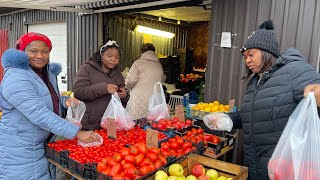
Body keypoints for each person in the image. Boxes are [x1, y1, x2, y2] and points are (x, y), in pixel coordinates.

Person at [209, 20, 320, 179]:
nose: (247, 60)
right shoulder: (255, 82)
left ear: (267, 51)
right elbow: (253, 115)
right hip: (255, 165)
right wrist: (229, 119)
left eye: (251, 54)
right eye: (244, 56)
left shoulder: (294, 71)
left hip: (282, 169)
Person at [0, 32, 100, 180]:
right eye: (33, 51)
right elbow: (38, 112)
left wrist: (63, 101)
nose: (40, 55)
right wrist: (77, 133)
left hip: (41, 141)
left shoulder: (47, 73)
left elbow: (45, 98)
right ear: (22, 52)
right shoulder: (16, 76)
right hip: (20, 146)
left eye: (45, 51)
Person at [73, 40, 128, 130]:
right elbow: (79, 92)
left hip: (111, 123)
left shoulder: (118, 74)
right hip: (90, 123)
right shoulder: (87, 69)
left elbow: (122, 96)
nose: (113, 60)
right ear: (101, 55)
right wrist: (104, 88)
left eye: (117, 58)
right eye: (109, 56)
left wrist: (124, 95)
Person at [125, 43, 166, 120]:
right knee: (152, 123)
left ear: (142, 52)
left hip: (139, 99)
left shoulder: (138, 63)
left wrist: (127, 88)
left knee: (137, 124)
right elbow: (163, 79)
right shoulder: (159, 65)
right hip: (154, 100)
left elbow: (130, 81)